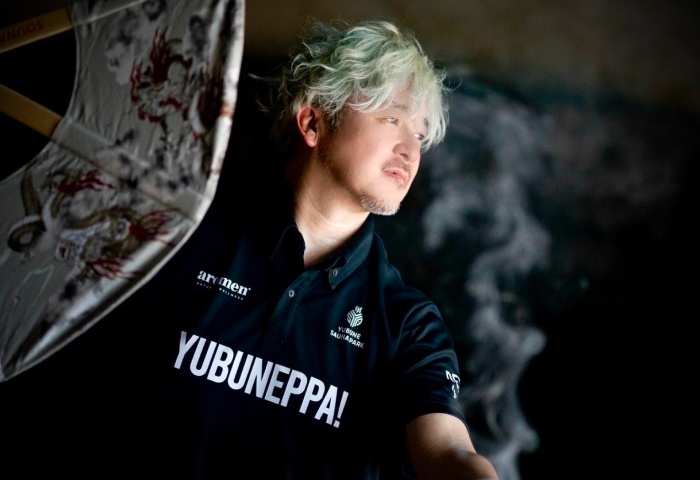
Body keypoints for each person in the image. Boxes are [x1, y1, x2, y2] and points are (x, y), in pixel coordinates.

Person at [1, 19, 498, 480]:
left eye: (420, 135)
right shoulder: (180, 236)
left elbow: (448, 452)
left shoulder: (407, 322)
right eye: (392, 119)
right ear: (313, 123)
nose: (410, 151)